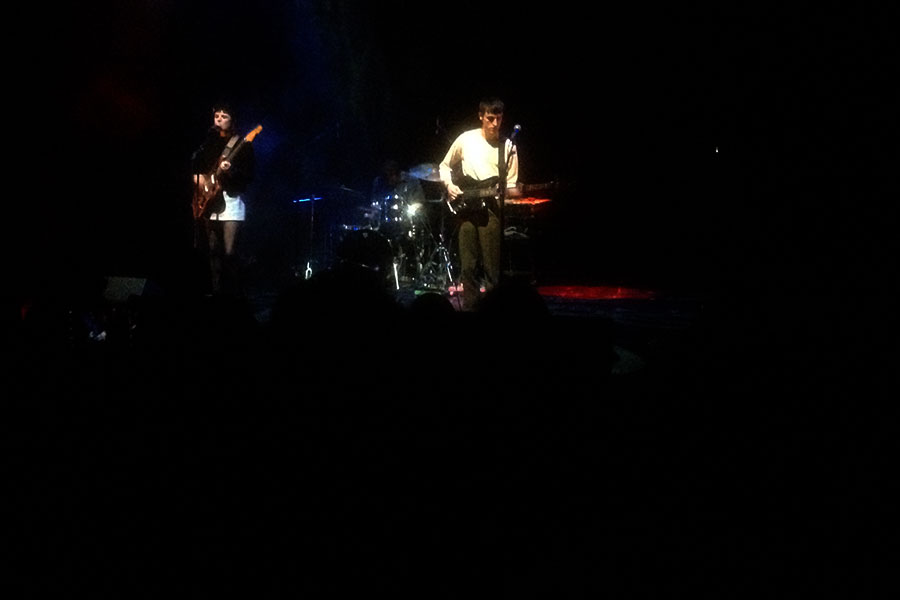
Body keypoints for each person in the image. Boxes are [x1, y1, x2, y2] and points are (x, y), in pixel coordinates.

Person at [438, 97, 519, 311]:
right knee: (468, 266)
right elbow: (444, 166)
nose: (495, 124)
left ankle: (493, 312)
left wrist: (510, 194)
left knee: (492, 267)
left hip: (491, 210)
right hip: (466, 209)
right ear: (481, 116)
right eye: (490, 118)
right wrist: (449, 186)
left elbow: (511, 185)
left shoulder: (507, 146)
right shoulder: (466, 139)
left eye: (499, 119)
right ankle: (469, 309)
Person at [191, 103, 256, 296]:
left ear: (232, 120)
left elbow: (250, 175)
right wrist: (200, 182)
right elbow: (198, 169)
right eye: (216, 116)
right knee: (213, 251)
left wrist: (231, 171)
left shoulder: (242, 144)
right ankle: (216, 292)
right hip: (211, 202)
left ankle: (234, 294)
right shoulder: (207, 143)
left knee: (229, 252)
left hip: (231, 200)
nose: (219, 119)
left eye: (224, 116)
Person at [368, 159, 428, 282]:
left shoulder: (411, 180)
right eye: (387, 174)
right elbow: (375, 204)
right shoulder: (379, 182)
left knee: (408, 239)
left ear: (398, 172)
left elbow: (420, 202)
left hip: (407, 222)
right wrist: (373, 213)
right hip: (384, 224)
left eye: (392, 174)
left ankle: (409, 273)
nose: (390, 179)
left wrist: (411, 210)